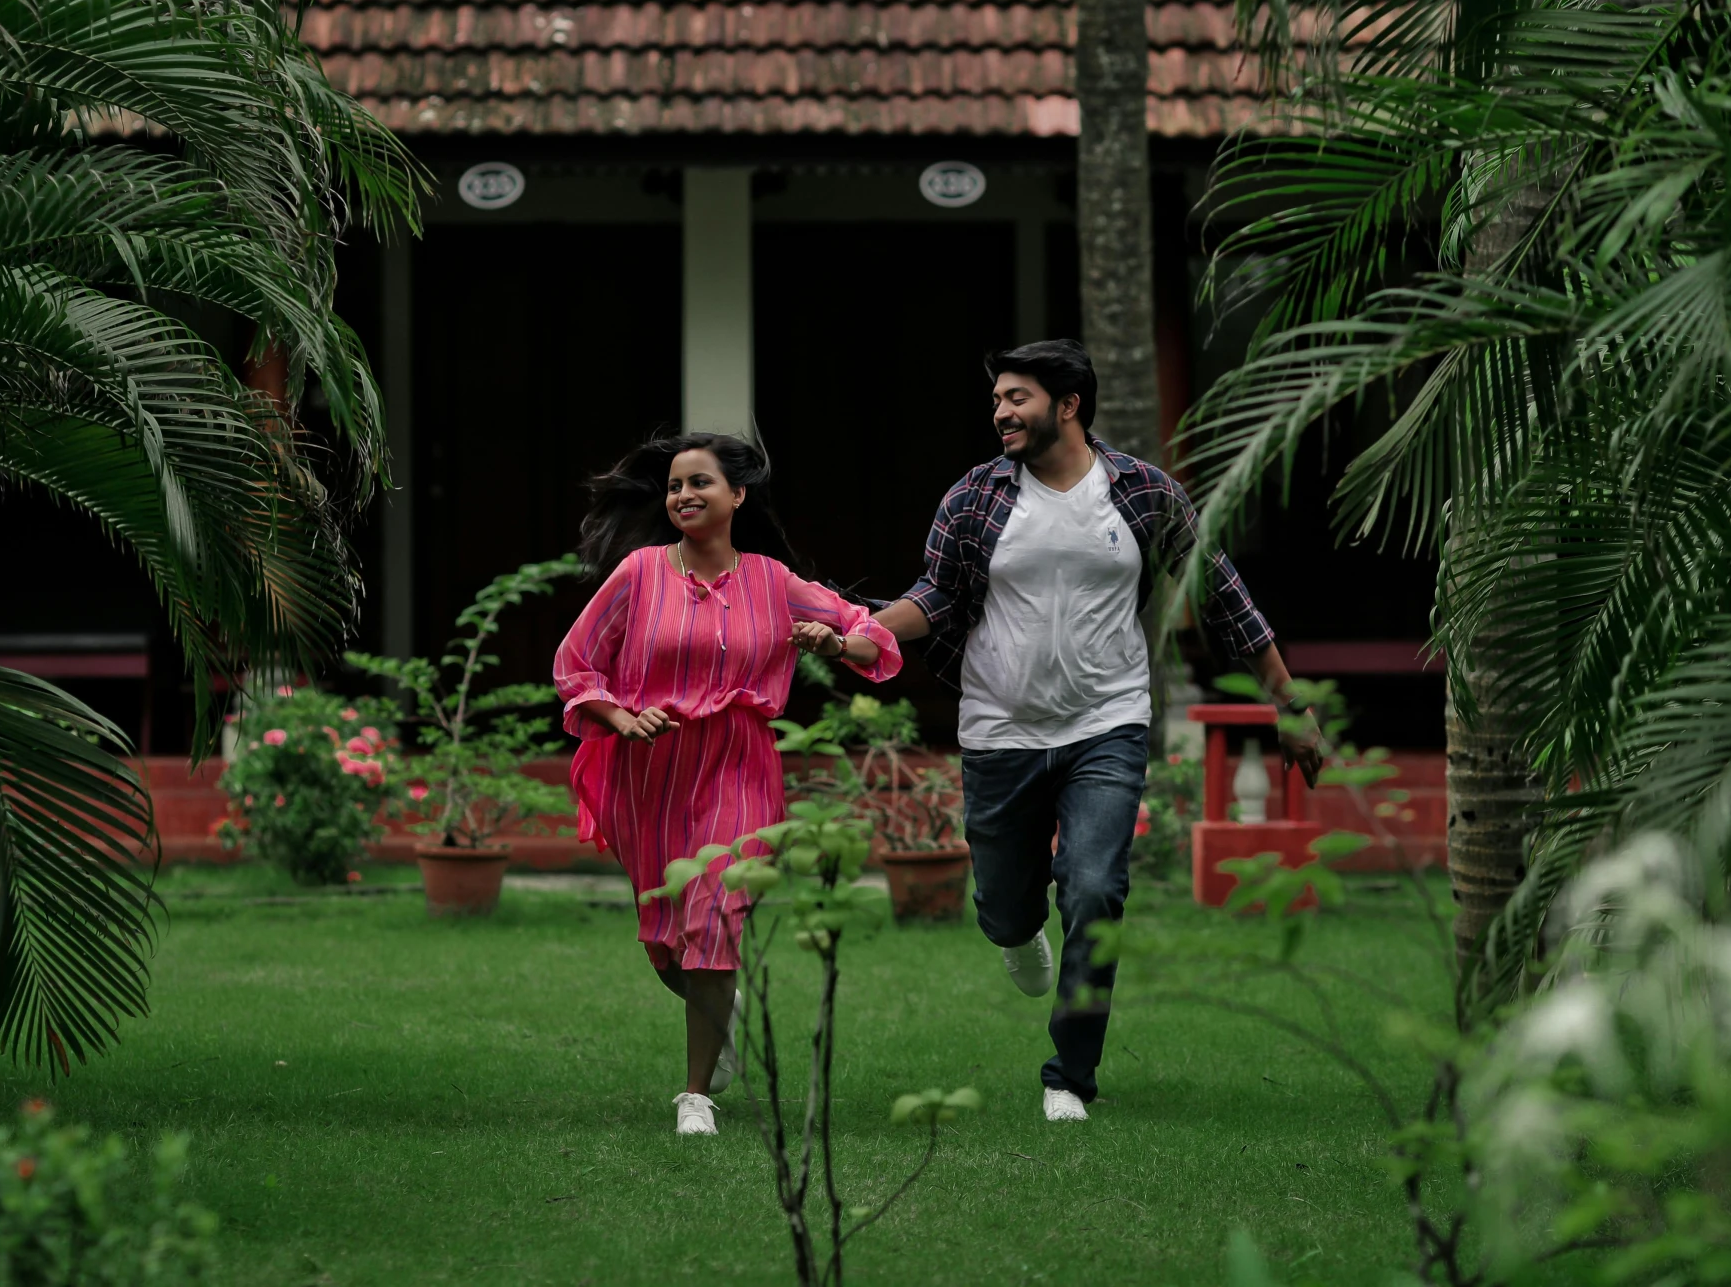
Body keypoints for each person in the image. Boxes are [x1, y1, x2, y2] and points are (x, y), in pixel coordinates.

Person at [870, 339, 1316, 1124]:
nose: (1001, 411)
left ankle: (1069, 1075)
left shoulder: (1142, 492)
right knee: (1006, 905)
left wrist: (1290, 701)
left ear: (1068, 405)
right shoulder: (974, 496)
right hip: (1000, 729)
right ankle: (1015, 932)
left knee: (1094, 888)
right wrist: (862, 633)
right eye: (999, 398)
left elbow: (1224, 595)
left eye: (1018, 397)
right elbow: (934, 594)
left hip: (1106, 722)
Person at [555, 433, 902, 1137]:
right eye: (676, 484)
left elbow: (872, 637)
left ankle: (694, 1096)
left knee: (714, 912)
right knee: (667, 943)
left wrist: (833, 643)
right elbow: (576, 664)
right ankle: (719, 1003)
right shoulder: (639, 572)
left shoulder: (774, 581)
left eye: (700, 482)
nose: (683, 495)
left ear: (738, 495)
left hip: (739, 763)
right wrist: (621, 716)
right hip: (648, 770)